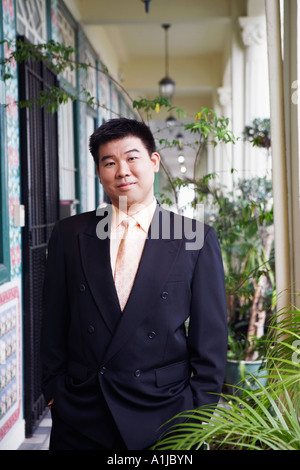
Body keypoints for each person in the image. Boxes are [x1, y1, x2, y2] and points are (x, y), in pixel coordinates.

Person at [41, 117, 227, 451]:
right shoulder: (70, 234)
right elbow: (53, 320)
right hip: (83, 412)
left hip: (165, 413)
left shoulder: (195, 238)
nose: (122, 171)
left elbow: (210, 337)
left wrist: (199, 409)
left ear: (153, 162)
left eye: (131, 158)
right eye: (109, 162)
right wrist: (54, 391)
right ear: (99, 172)